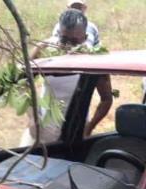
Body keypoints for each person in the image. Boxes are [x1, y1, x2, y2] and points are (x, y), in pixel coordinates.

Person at [23, 9, 113, 145]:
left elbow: (106, 99)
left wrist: (88, 129)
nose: (68, 47)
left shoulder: (94, 60)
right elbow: (23, 82)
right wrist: (32, 117)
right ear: (58, 33)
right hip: (41, 129)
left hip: (74, 132)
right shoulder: (45, 50)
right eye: (64, 40)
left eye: (75, 42)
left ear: (85, 37)